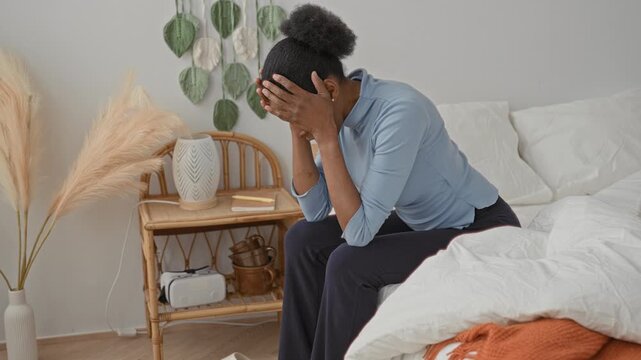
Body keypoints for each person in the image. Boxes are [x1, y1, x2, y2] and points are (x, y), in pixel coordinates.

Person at [256, 4, 521, 360]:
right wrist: (298, 129)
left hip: (480, 227)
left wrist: (325, 135)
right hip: (422, 224)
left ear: (329, 90)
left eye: (295, 111)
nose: (298, 123)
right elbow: (315, 209)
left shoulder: (400, 112)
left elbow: (359, 234)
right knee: (303, 238)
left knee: (348, 263)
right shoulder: (343, 114)